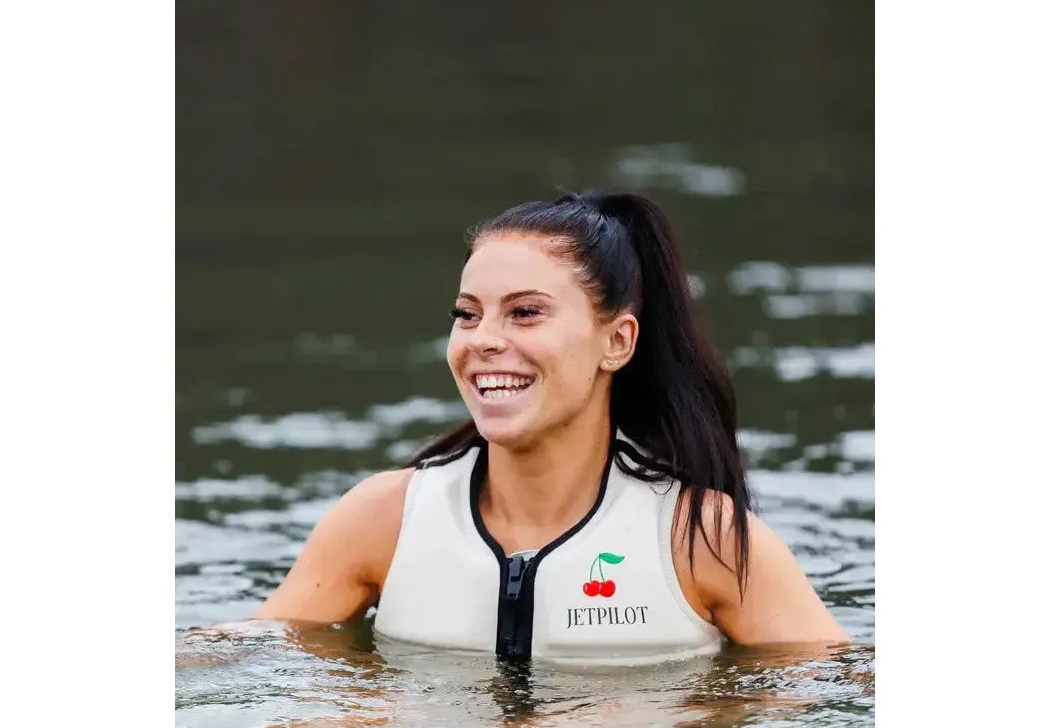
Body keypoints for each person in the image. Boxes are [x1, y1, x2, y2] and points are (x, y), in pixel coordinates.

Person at [255, 191, 847, 662]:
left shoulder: (705, 540)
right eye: (467, 314)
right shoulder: (383, 518)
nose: (483, 339)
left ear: (616, 342)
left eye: (525, 312)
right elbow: (251, 670)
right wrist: (364, 716)